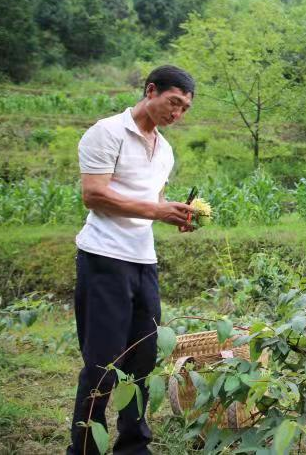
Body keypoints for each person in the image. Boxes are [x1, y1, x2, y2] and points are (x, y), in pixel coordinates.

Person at [67, 65, 196, 455]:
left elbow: (148, 203)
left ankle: (133, 446)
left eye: (184, 109)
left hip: (144, 261)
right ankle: (84, 448)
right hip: (103, 259)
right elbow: (95, 195)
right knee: (103, 363)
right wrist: (158, 211)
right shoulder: (106, 133)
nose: (176, 114)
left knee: (142, 358)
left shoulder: (165, 150)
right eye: (172, 103)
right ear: (150, 90)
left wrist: (176, 214)